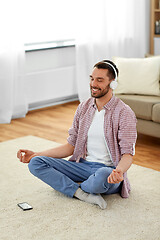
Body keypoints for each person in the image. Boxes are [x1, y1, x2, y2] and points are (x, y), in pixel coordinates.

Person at [17, 60, 137, 210]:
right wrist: (35, 154)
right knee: (36, 163)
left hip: (107, 170)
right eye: (92, 78)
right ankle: (80, 192)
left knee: (102, 176)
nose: (93, 84)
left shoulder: (124, 113)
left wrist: (119, 171)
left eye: (100, 80)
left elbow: (128, 154)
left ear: (113, 83)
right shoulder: (84, 107)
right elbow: (70, 147)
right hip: (81, 166)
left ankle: (70, 186)